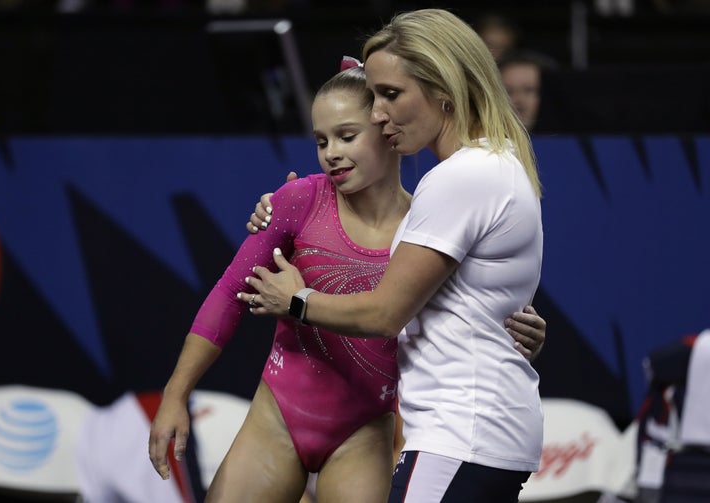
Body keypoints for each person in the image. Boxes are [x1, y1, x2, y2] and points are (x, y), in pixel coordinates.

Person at [149, 58, 547, 502]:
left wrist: (516, 329)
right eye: (321, 140)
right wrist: (175, 393)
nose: (331, 152)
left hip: (363, 435)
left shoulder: (429, 226)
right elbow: (228, 295)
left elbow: (463, 308)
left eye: (347, 136)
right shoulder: (298, 200)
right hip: (276, 420)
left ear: (387, 132)